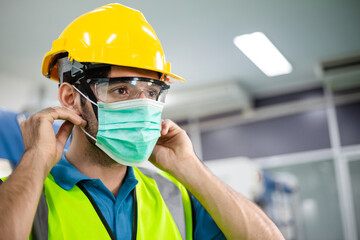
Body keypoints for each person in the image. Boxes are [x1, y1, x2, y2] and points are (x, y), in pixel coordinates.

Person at [0, 3, 284, 240]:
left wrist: (189, 167)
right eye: (121, 90)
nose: (142, 106)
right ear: (71, 98)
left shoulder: (176, 197)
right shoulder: (22, 194)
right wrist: (35, 159)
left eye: (152, 93)